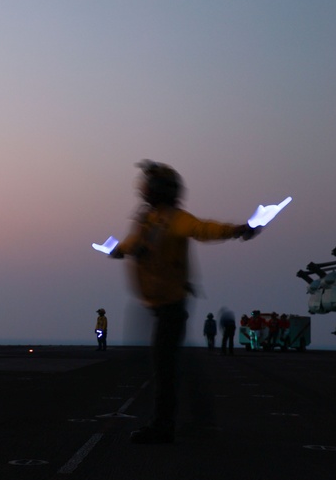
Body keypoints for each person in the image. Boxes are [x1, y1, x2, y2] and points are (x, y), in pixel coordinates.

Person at [109, 159, 258, 443]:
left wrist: (237, 230)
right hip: (155, 305)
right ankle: (184, 419)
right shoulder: (148, 220)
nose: (144, 190)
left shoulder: (174, 219)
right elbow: (134, 243)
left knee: (164, 367)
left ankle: (165, 427)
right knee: (166, 364)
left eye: (149, 186)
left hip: (170, 306)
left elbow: (203, 229)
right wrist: (120, 250)